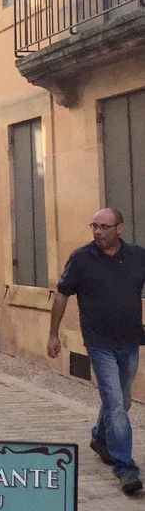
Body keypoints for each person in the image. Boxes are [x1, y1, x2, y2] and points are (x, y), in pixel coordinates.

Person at [48, 207, 145, 496]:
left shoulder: (138, 256)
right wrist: (53, 334)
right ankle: (125, 468)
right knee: (115, 402)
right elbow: (62, 294)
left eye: (104, 227)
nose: (98, 232)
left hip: (130, 340)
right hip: (99, 342)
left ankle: (100, 438)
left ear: (120, 228)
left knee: (122, 400)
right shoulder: (81, 258)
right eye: (94, 226)